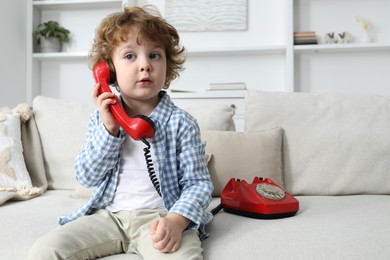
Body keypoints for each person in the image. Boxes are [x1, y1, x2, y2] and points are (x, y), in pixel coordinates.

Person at [29, 6, 213, 260]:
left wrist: (177, 220)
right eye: (130, 56)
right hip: (109, 216)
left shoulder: (182, 123)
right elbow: (87, 176)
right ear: (108, 71)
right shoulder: (101, 119)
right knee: (44, 251)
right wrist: (110, 130)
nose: (145, 65)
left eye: (155, 55)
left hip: (161, 218)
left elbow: (198, 184)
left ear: (167, 66)